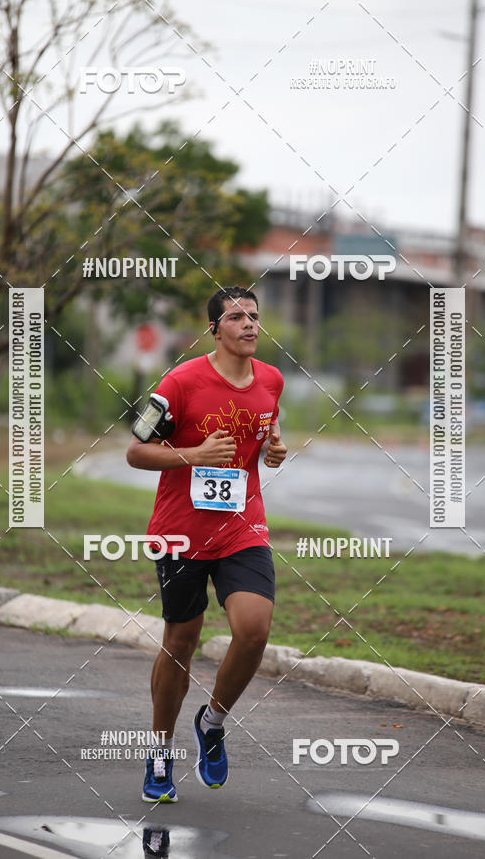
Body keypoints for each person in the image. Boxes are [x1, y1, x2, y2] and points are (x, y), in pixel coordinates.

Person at [126, 285, 286, 804]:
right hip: (181, 532)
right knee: (181, 642)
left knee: (254, 629)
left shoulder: (272, 380)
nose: (250, 325)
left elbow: (264, 427)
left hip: (242, 527)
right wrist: (192, 454)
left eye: (255, 317)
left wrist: (274, 449)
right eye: (237, 317)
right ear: (214, 329)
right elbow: (135, 451)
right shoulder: (180, 382)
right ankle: (160, 750)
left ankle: (212, 722)